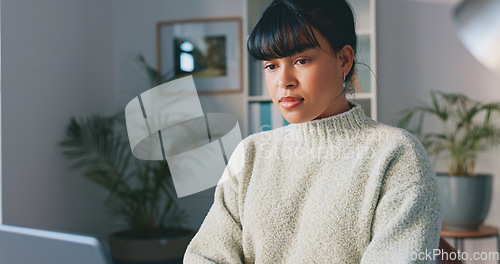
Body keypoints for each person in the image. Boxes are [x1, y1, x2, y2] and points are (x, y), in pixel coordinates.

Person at [184, 0, 441, 263]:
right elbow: (205, 256)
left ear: (344, 60)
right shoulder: (250, 154)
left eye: (301, 60)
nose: (284, 81)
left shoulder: (395, 154)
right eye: (271, 65)